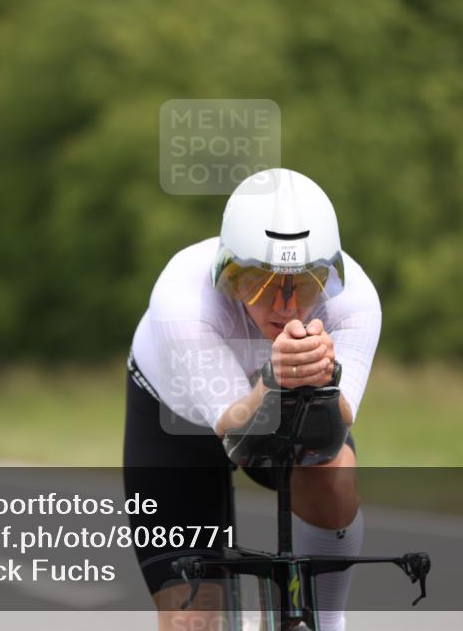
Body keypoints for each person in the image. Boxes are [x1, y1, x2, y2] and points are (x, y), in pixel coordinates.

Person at [124, 168, 382, 631]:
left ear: (328, 277)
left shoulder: (354, 301)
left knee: (334, 474)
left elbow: (337, 425)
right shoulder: (182, 299)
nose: (284, 306)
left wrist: (325, 378)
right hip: (176, 418)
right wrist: (273, 378)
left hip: (275, 403)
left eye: (303, 284)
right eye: (260, 285)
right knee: (194, 619)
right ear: (229, 274)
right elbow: (237, 433)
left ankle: (325, 620)